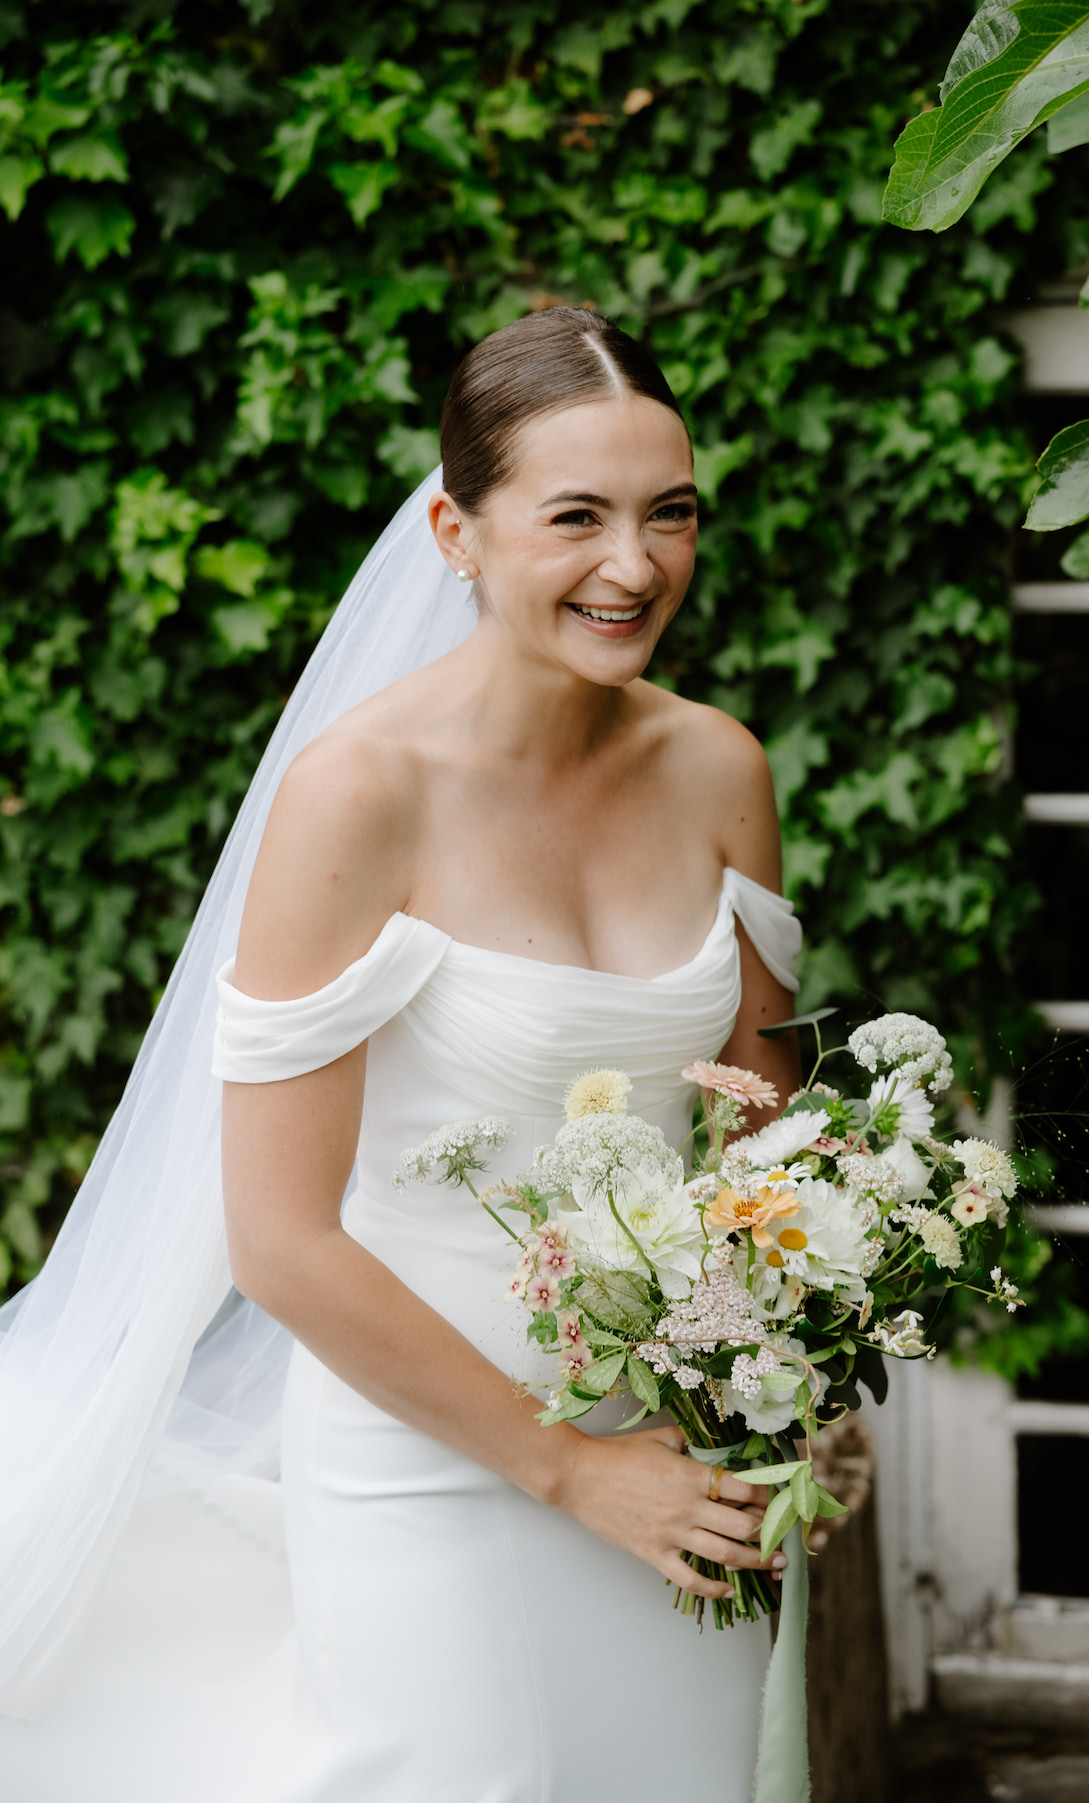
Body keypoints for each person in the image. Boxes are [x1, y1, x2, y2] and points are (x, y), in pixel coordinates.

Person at [0, 307, 802, 1801]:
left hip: (684, 1449)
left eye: (668, 513)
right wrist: (569, 1468)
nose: (635, 567)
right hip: (428, 1454)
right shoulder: (357, 794)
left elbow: (761, 1136)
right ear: (457, 529)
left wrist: (789, 1382)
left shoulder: (717, 766)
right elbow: (279, 1239)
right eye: (577, 516)